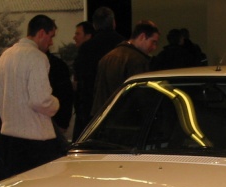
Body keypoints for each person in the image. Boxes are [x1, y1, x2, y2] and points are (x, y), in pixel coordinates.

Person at [0, 15, 60, 180]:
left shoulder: (6, 56)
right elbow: (40, 100)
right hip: (34, 140)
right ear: (42, 33)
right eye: (51, 37)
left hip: (8, 139)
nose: (51, 42)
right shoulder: (37, 57)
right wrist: (56, 103)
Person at [72, 7, 125, 139]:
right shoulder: (124, 46)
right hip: (120, 106)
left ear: (95, 25)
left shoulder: (87, 48)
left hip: (92, 107)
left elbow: (80, 80)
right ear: (114, 23)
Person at [91, 20, 160, 116]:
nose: (154, 47)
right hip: (125, 119)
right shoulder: (138, 60)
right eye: (153, 42)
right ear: (142, 37)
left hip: (102, 118)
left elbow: (97, 91)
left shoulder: (107, 57)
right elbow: (141, 96)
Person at [47, 50, 74, 154]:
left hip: (54, 119)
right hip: (54, 118)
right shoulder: (58, 65)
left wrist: (63, 122)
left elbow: (65, 95)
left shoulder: (57, 66)